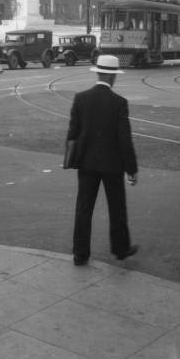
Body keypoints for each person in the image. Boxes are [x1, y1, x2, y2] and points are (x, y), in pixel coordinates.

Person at [67, 54, 139, 266]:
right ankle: (120, 249)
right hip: (112, 165)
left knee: (83, 208)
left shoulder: (80, 98)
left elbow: (73, 133)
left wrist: (74, 159)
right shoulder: (119, 103)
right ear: (113, 77)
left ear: (98, 73)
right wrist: (131, 169)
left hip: (87, 164)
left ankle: (80, 253)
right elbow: (124, 139)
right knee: (117, 208)